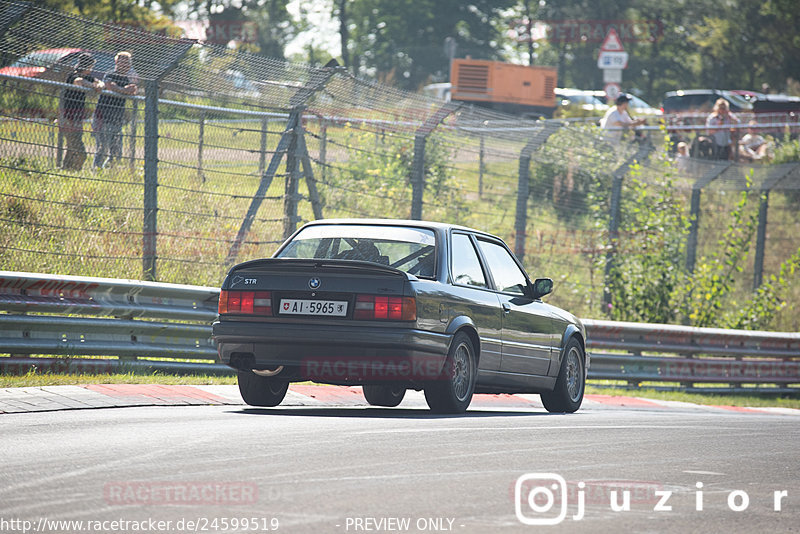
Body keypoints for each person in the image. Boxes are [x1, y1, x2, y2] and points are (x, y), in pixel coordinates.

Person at [93, 51, 137, 168]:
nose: (125, 65)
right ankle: (96, 168)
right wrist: (124, 90)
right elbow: (109, 85)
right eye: (122, 62)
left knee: (116, 147)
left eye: (127, 63)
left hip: (117, 116)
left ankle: (109, 169)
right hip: (103, 115)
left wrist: (122, 89)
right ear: (116, 62)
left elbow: (133, 89)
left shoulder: (127, 78)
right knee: (103, 146)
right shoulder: (111, 74)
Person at [61, 53, 104, 170]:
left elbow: (100, 83)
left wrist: (98, 85)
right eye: (91, 66)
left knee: (71, 148)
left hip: (77, 117)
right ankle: (74, 171)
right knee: (81, 153)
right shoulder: (73, 75)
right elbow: (78, 82)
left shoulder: (88, 77)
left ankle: (66, 171)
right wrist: (92, 86)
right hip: (68, 118)